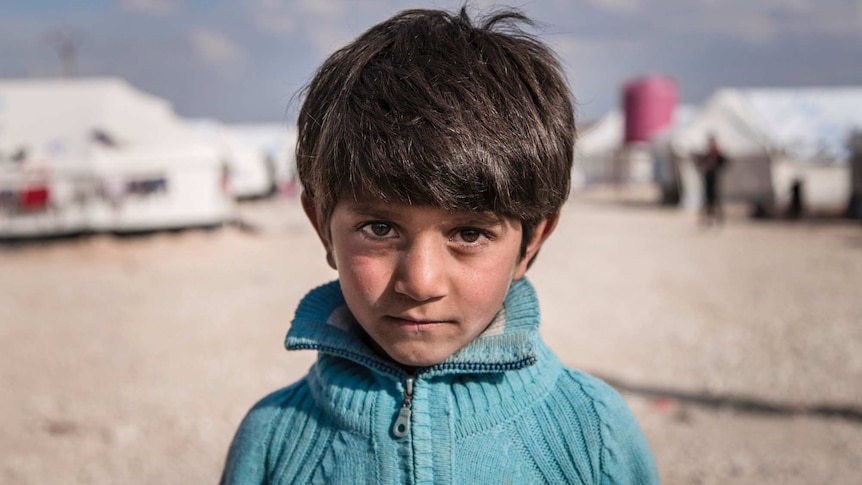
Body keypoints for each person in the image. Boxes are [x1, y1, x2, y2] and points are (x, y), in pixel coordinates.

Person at [220, 7, 659, 484]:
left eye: (469, 234)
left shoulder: (592, 436)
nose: (421, 282)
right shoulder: (274, 441)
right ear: (322, 226)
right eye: (380, 229)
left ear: (532, 240)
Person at [697, 135, 728, 225]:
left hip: (715, 180)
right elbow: (700, 163)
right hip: (708, 180)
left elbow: (724, 162)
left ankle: (719, 218)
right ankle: (708, 218)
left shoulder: (718, 155)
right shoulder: (707, 155)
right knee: (707, 200)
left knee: (716, 200)